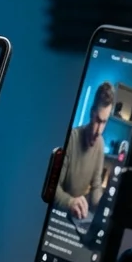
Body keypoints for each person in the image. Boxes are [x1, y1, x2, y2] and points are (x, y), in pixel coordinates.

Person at [54, 81, 114, 220]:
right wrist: (70, 202)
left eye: (104, 122)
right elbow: (53, 187)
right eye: (98, 120)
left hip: (76, 218)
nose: (99, 131)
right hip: (57, 214)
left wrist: (105, 207)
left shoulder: (100, 144)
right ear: (91, 113)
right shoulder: (71, 139)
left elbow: (96, 187)